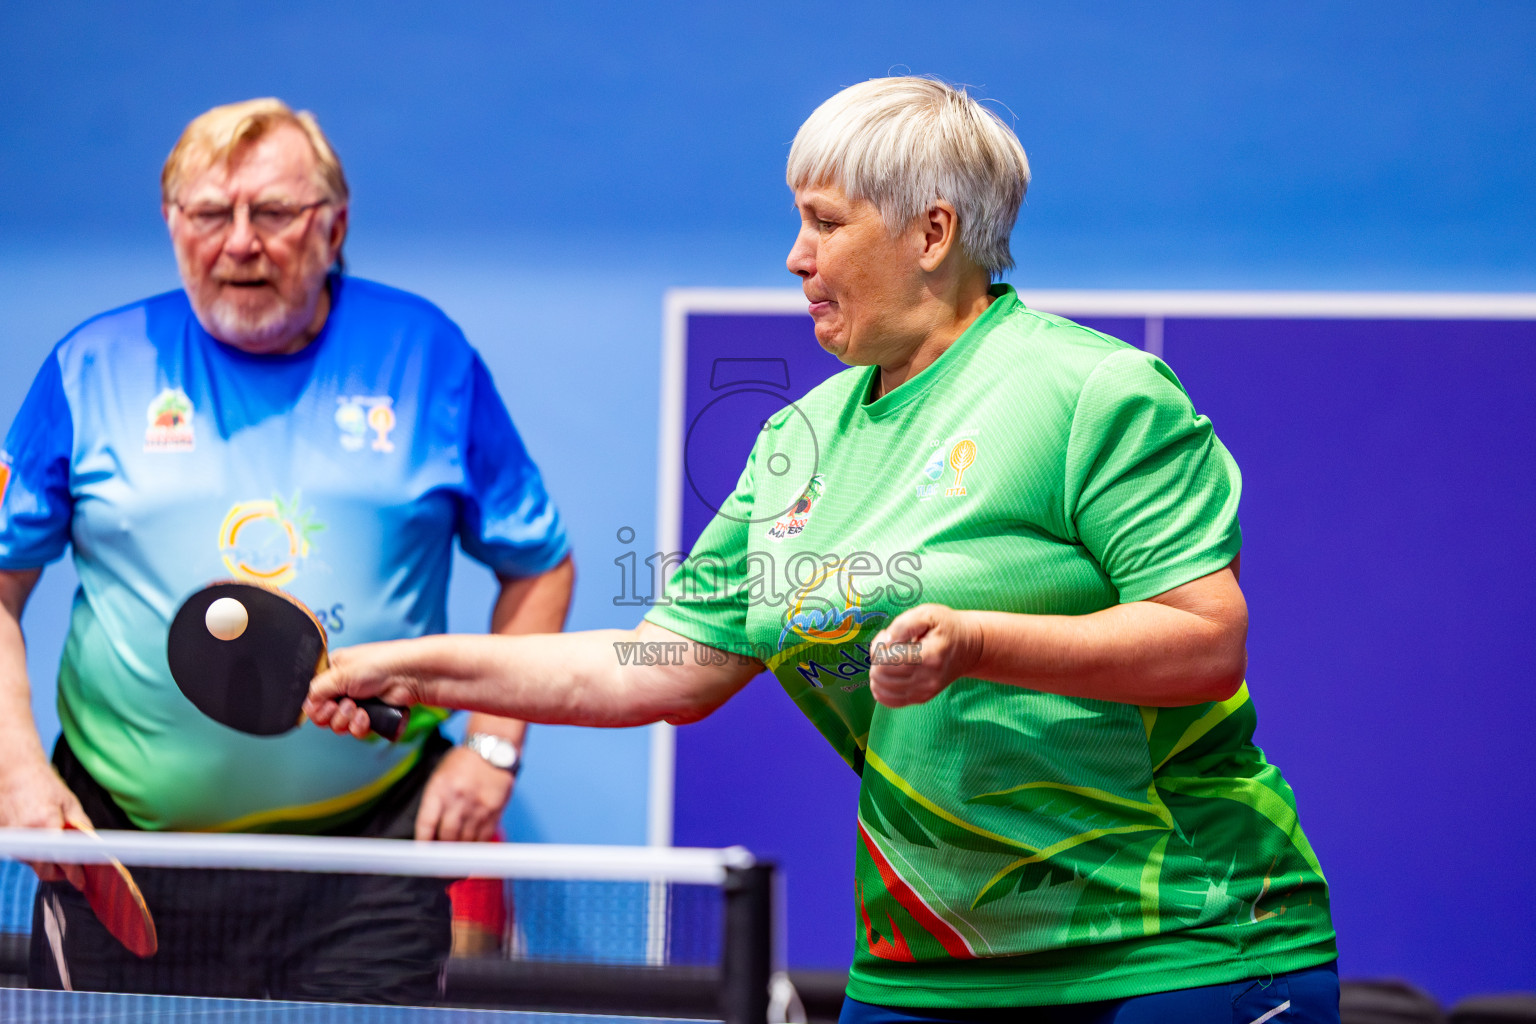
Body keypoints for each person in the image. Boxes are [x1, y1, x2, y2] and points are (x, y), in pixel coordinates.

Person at [307, 77, 1338, 1023]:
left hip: (1179, 947)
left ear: (932, 232)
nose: (796, 256)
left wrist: (976, 640)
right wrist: (411, 664)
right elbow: (653, 667)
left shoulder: (1091, 395)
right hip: (927, 963)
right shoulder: (798, 440)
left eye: (823, 222)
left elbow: (1203, 641)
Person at [0, 98, 573, 1001]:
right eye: (207, 214)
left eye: (272, 213)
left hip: (367, 859)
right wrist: (16, 769)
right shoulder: (90, 366)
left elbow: (539, 564)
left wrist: (493, 749)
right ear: (171, 224)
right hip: (118, 851)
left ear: (334, 225)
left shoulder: (427, 357)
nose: (238, 243)